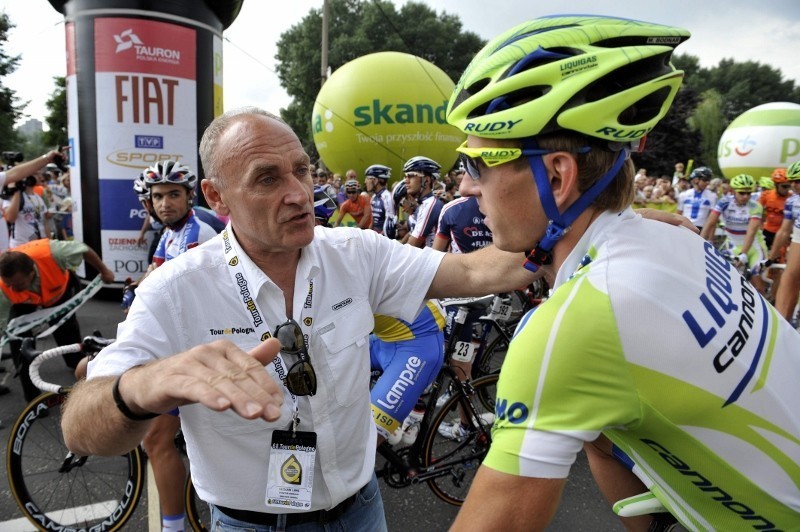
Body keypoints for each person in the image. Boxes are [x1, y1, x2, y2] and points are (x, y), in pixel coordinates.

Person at [60, 107, 539, 531]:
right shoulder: (175, 290)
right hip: (250, 524)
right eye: (268, 179)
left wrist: (580, 224)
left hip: (362, 510)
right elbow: (80, 428)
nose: (298, 193)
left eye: (302, 170)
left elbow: (480, 269)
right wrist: (146, 385)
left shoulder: (355, 253)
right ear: (217, 196)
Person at [444, 15, 800, 531]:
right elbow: (606, 441)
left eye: (477, 165)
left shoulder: (577, 322)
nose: (465, 188)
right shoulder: (673, 240)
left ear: (558, 176)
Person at [127, 160, 220, 531]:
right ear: (149, 202)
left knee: (157, 439)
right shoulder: (170, 233)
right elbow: (154, 280)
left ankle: (176, 526)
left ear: (189, 196)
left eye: (173, 195)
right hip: (185, 342)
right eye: (159, 196)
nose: (166, 203)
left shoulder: (201, 230)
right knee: (158, 438)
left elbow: (193, 298)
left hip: (210, 344)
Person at [0, 238, 115, 400]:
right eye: (8, 284)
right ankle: (33, 397)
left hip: (58, 293)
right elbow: (1, 323)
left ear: (32, 272)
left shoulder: (54, 253)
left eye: (17, 284)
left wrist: (103, 271)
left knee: (67, 331)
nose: (12, 288)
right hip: (23, 304)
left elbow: (83, 250)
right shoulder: (5, 287)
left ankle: (77, 366)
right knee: (19, 344)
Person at [700, 174, 767, 294]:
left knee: (757, 281)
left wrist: (744, 254)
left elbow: (751, 232)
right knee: (720, 273)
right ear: (733, 191)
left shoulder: (755, 206)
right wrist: (699, 241)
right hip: (733, 246)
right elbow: (710, 222)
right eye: (742, 193)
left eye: (749, 193)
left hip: (754, 247)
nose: (746, 196)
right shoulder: (724, 202)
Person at [0, 149, 67, 252]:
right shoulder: (15, 196)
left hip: (36, 248)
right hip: (20, 249)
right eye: (36, 174)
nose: (40, 177)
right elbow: (10, 218)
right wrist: (17, 189)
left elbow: (45, 222)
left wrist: (47, 158)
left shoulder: (38, 197)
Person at [767, 160, 800, 322]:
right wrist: (770, 257)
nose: (794, 185)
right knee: (789, 277)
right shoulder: (792, 201)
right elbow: (784, 231)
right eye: (792, 181)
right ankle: (781, 322)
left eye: (798, 181)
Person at [403, 156, 444, 247]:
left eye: (411, 176)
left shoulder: (430, 204)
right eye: (405, 176)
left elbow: (413, 244)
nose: (406, 181)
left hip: (429, 259)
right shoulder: (422, 204)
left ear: (426, 180)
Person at [677, 166, 717, 232]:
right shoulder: (683, 195)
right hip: (684, 228)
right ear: (696, 180)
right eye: (705, 179)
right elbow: (678, 214)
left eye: (708, 180)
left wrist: (710, 240)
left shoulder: (712, 196)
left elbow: (712, 220)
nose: (707, 182)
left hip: (701, 230)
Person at [365, 164, 395, 236]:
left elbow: (390, 226)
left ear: (375, 180)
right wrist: (367, 235)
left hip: (385, 238)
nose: (365, 182)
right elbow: (373, 222)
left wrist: (377, 238)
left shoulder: (387, 197)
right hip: (376, 235)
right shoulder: (373, 197)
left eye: (368, 178)